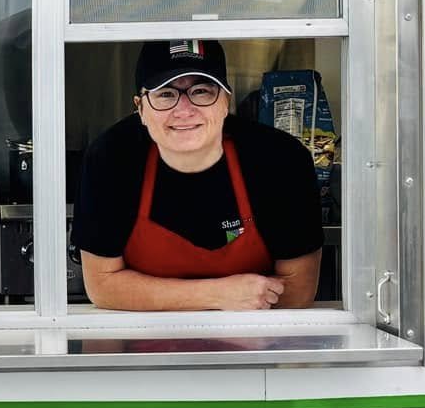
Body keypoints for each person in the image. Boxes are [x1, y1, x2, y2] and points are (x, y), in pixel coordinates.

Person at [73, 38, 324, 311]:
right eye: (165, 94)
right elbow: (102, 286)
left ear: (225, 101)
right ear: (140, 108)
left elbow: (298, 290)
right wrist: (217, 295)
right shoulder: (111, 159)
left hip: (255, 341)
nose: (183, 110)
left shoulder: (279, 160)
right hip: (145, 339)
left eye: (202, 91)